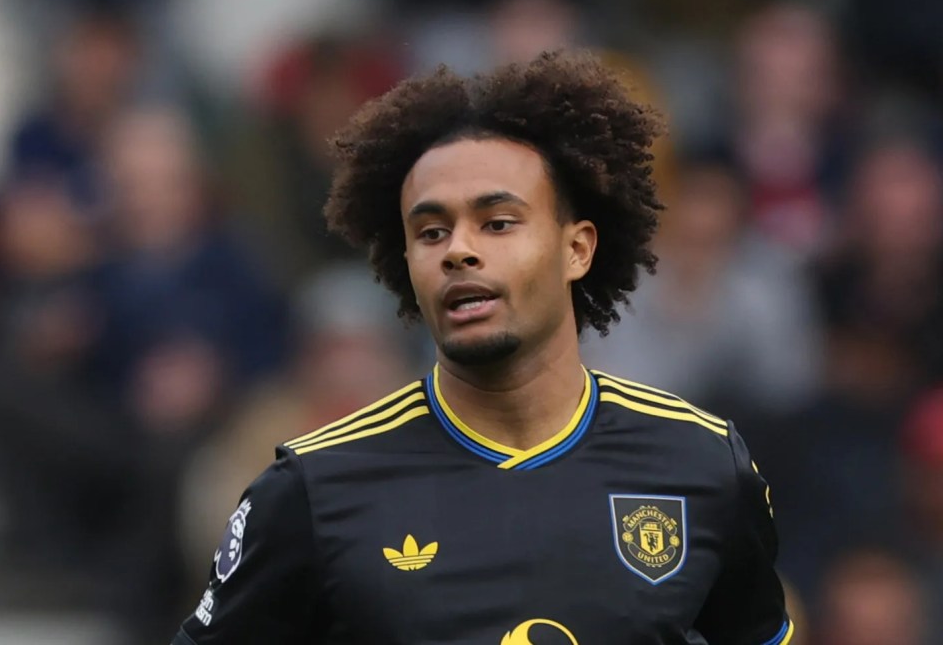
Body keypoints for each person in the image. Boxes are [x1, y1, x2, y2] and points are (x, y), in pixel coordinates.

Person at [172, 51, 793, 644]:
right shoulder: (313, 489)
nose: (457, 251)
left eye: (497, 223)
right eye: (431, 231)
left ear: (576, 249)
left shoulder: (702, 465)